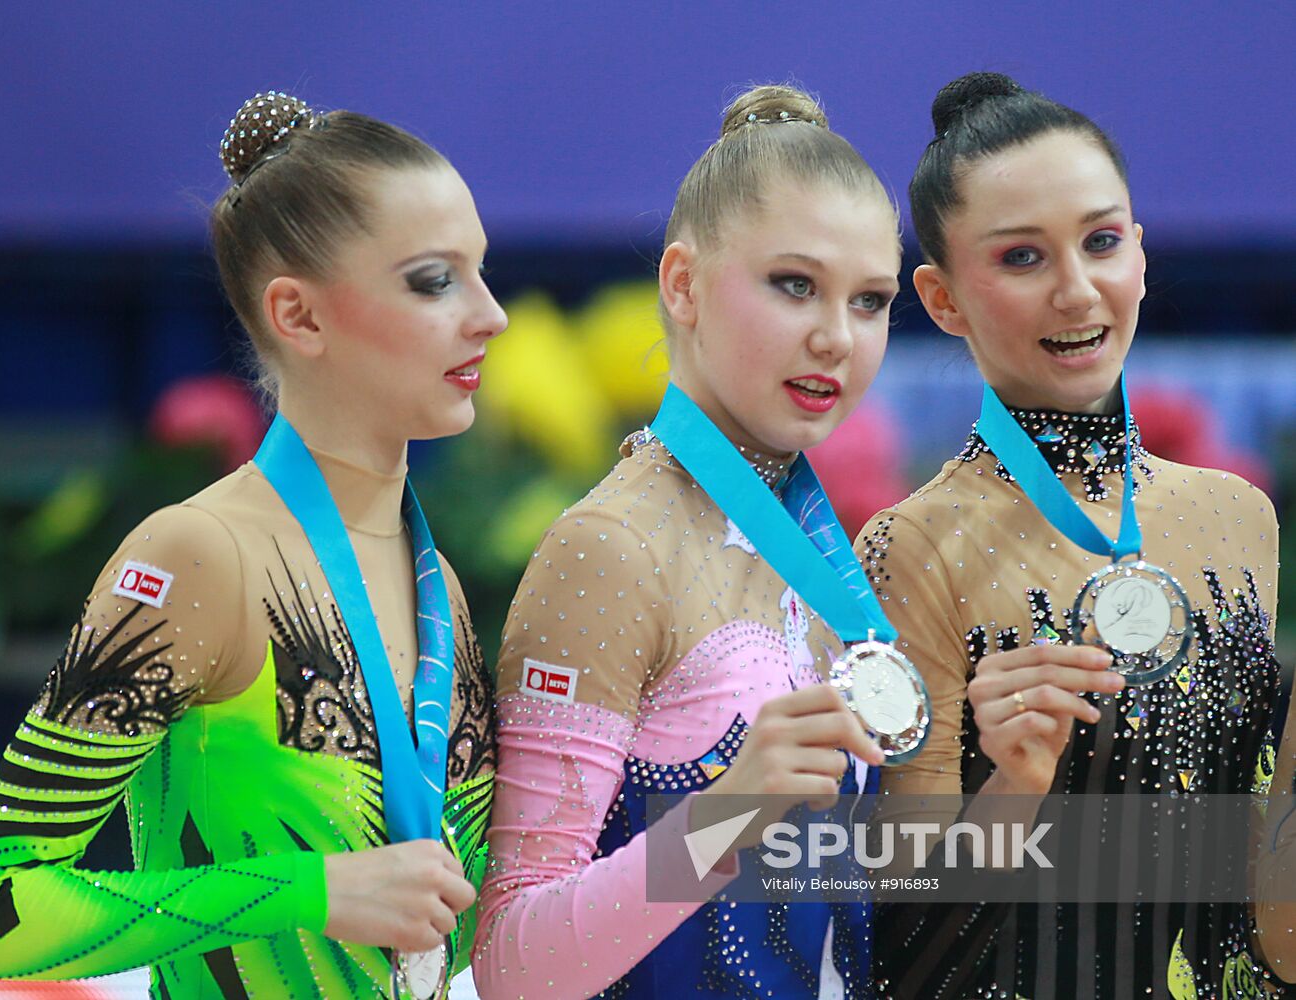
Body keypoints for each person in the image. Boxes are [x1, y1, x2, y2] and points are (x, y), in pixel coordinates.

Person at [0, 91, 506, 998]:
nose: (491, 315)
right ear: (299, 317)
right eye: (434, 280)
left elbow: (510, 926)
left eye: (481, 271)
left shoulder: (440, 589)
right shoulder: (201, 556)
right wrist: (303, 890)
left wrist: (747, 813)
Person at [858, 72, 1291, 997]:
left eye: (1100, 243)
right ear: (941, 300)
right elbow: (882, 915)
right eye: (1021, 259)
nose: (1076, 290)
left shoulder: (1238, 516)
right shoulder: (913, 547)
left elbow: (1259, 874)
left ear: (1138, 250)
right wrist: (1011, 788)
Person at [473, 84, 906, 1000]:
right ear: (683, 284)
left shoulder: (826, 556)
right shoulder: (611, 549)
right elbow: (512, 964)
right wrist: (726, 814)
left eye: (871, 301)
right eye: (796, 285)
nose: (837, 337)